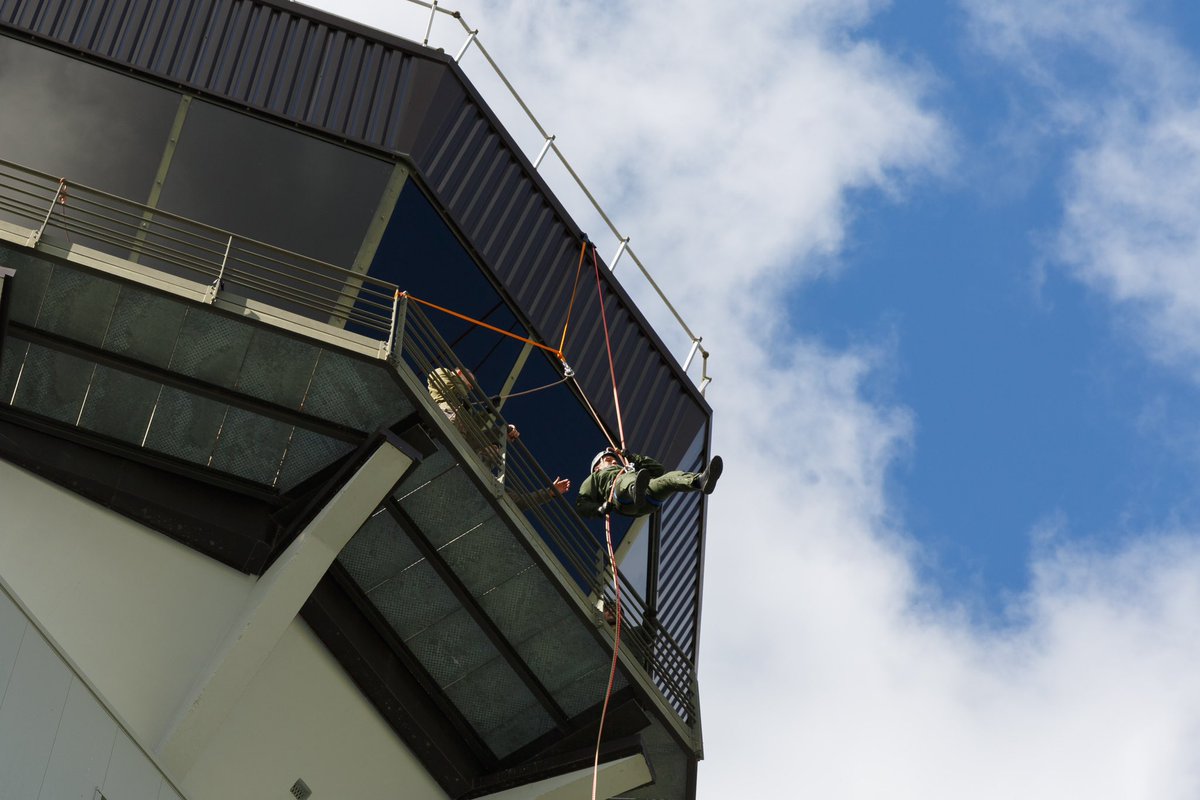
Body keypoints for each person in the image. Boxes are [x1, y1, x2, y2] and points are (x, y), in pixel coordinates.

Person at [427, 366, 569, 505]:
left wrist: (493, 416)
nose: (471, 388)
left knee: (493, 440)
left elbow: (473, 427)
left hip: (460, 452)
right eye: (470, 383)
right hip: (446, 423)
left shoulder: (486, 478)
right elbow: (437, 378)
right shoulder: (443, 375)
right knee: (461, 419)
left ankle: (501, 436)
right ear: (458, 373)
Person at [576, 448, 722, 518]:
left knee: (669, 478)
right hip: (622, 498)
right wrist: (599, 509)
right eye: (608, 460)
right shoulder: (596, 477)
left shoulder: (628, 469)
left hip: (645, 500)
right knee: (625, 480)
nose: (614, 461)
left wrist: (632, 457)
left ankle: (699, 481)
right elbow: (582, 503)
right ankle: (634, 490)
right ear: (597, 468)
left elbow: (658, 469)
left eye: (614, 459)